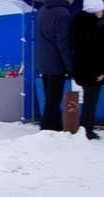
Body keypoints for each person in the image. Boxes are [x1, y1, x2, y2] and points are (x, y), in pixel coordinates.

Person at [37, 0, 74, 132]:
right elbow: (63, 43)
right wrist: (70, 66)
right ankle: (46, 130)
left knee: (50, 99)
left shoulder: (42, 10)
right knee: (53, 101)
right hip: (56, 64)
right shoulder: (63, 13)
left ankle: (56, 128)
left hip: (44, 62)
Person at [71, 0, 104, 140]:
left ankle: (85, 129)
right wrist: (100, 72)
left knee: (88, 101)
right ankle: (86, 130)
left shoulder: (77, 22)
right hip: (93, 72)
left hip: (81, 70)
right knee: (90, 102)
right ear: (96, 9)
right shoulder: (95, 26)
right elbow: (97, 52)